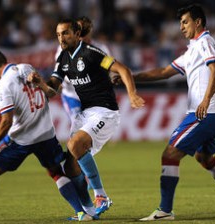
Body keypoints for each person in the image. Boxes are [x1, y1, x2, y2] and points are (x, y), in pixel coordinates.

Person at [0, 49, 98, 222]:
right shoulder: (26, 68)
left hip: (21, 140)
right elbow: (46, 92)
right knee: (56, 171)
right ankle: (82, 213)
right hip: (46, 134)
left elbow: (6, 121)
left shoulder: (3, 85)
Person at [28, 18, 145, 215]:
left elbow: (123, 69)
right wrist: (40, 83)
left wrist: (132, 94)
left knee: (74, 145)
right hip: (86, 113)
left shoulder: (91, 53)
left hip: (105, 111)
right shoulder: (63, 58)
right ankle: (89, 211)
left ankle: (101, 196)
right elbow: (52, 90)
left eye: (65, 33)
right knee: (70, 166)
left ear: (76, 33)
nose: (61, 38)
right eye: (58, 34)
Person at [133, 4, 215, 221]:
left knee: (170, 154)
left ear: (198, 21)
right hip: (213, 113)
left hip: (205, 112)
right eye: (180, 23)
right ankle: (165, 210)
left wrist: (205, 100)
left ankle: (165, 210)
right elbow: (164, 72)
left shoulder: (206, 42)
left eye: (185, 22)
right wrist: (132, 77)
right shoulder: (192, 50)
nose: (181, 27)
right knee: (204, 156)